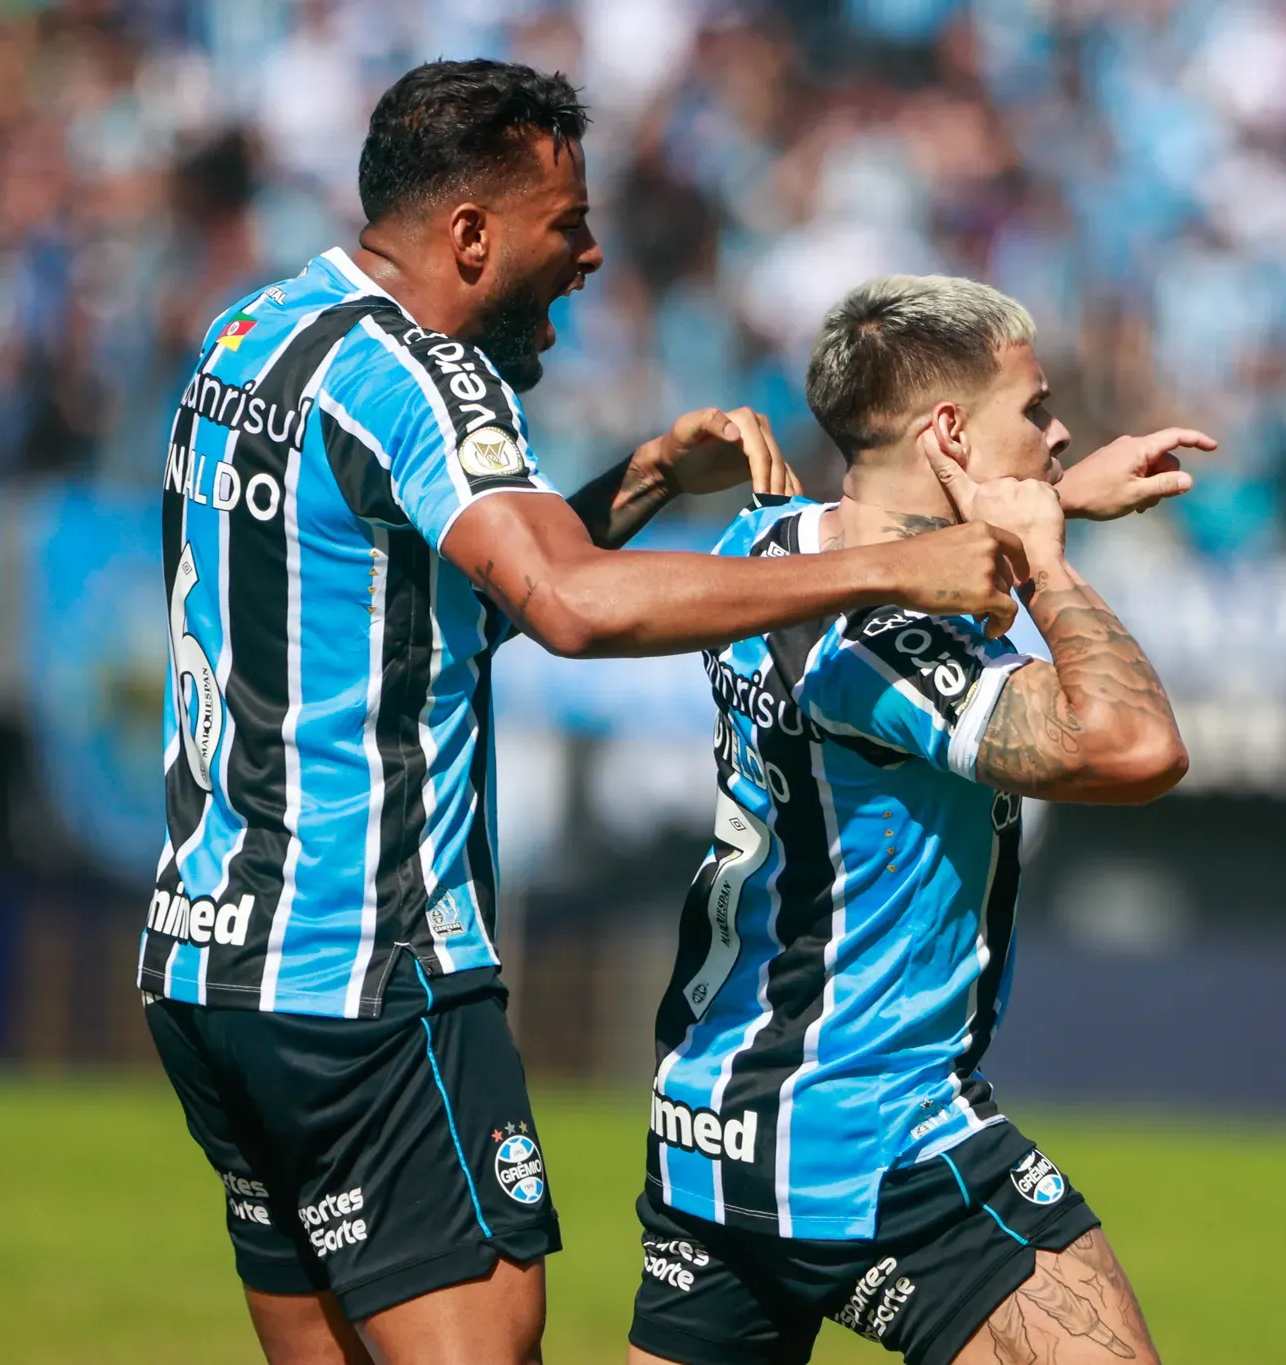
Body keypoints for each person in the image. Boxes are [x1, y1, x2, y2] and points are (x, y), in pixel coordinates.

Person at [141, 66, 1028, 1365]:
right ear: (470, 236)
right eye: (567, 223)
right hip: (365, 974)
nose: (593, 253)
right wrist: (889, 566)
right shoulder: (419, 376)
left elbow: (435, 608)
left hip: (208, 965)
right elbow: (567, 604)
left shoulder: (257, 334)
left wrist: (652, 476)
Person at [631, 275, 1212, 1365]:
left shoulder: (763, 549)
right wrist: (1044, 557)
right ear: (947, 431)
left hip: (709, 1123)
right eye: (1032, 409)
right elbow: (1133, 749)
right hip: (868, 1132)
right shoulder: (884, 650)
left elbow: (891, 548)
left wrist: (1052, 493)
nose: (1059, 428)